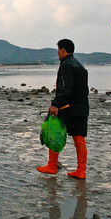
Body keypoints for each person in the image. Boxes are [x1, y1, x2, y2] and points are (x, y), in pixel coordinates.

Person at [37, 39, 89, 179]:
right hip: (82, 107)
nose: (58, 53)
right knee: (79, 139)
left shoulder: (66, 65)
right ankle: (81, 170)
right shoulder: (80, 66)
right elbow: (85, 90)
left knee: (54, 132)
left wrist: (55, 104)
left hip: (68, 107)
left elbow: (65, 88)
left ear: (64, 50)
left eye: (58, 50)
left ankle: (52, 166)